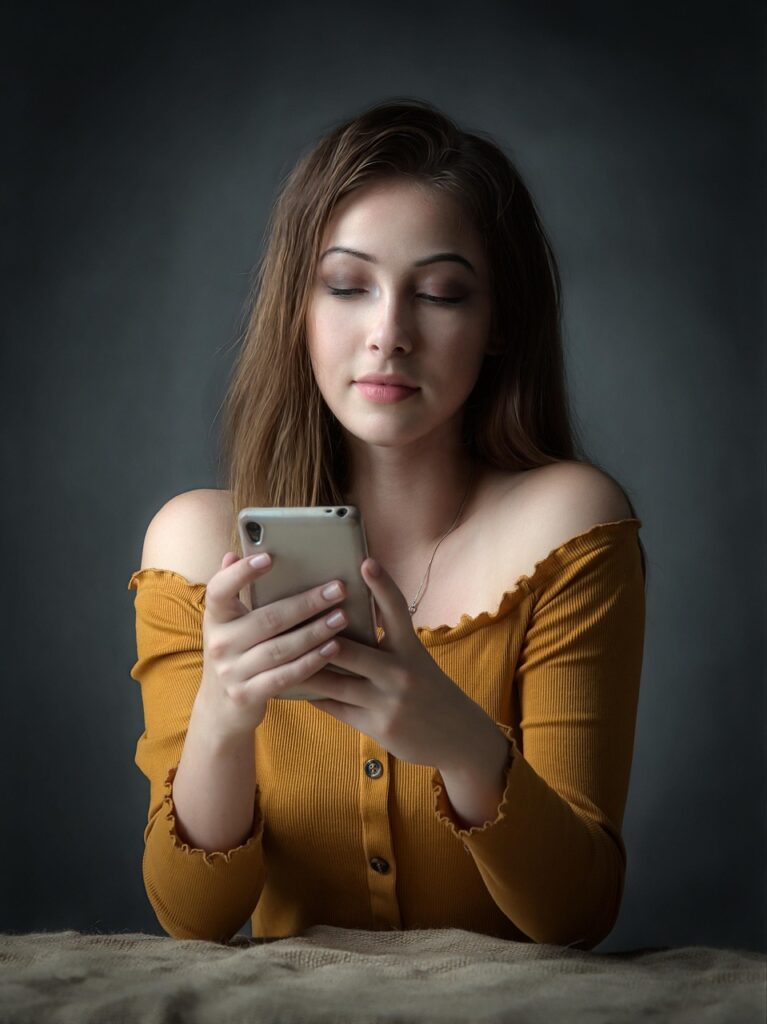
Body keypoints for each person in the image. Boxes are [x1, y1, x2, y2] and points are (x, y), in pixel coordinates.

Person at [128, 97, 647, 949]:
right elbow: (192, 919)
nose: (388, 334)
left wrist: (461, 742)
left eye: (440, 294)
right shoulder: (193, 546)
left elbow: (576, 915)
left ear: (497, 326)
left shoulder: (568, 523)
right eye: (346, 286)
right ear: (298, 309)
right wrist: (225, 713)